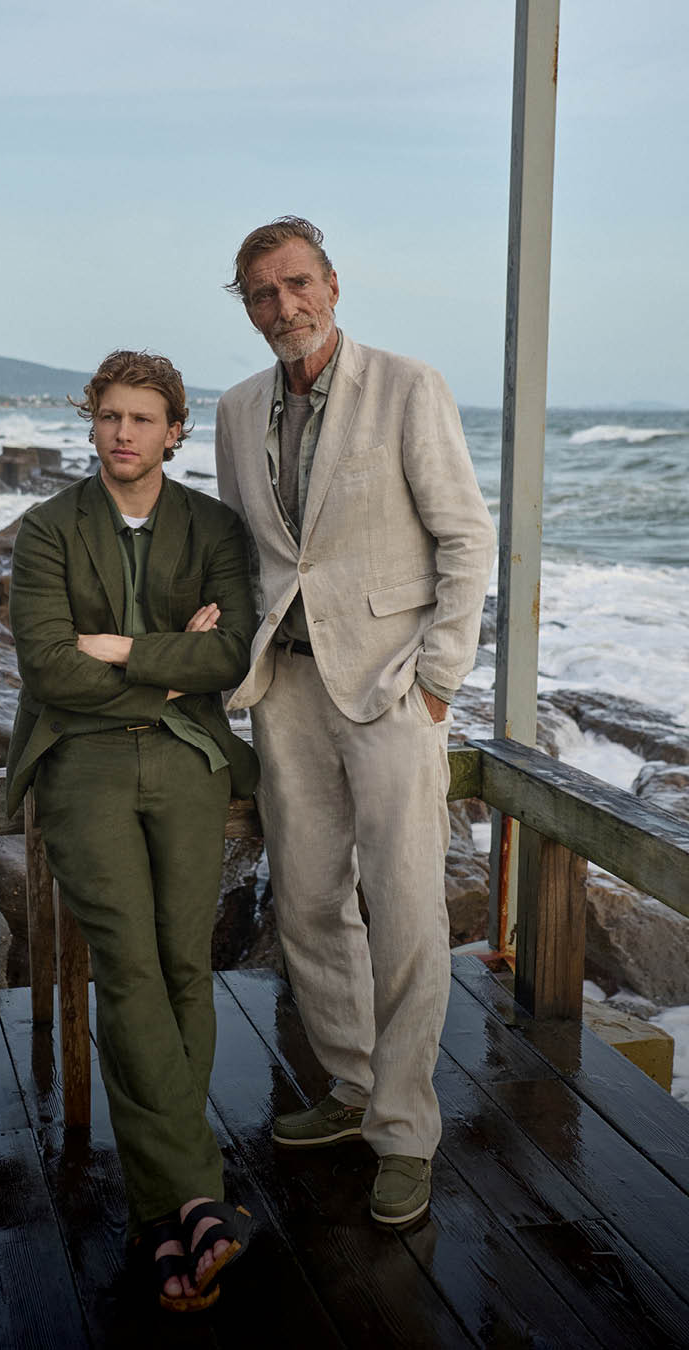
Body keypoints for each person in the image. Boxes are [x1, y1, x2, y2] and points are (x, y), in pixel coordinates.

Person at [214, 217, 495, 1227]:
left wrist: (437, 682)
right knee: (308, 904)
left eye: (296, 284)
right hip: (285, 693)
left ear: (333, 284)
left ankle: (406, 1131)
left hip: (388, 692)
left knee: (409, 909)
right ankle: (349, 1086)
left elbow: (466, 536)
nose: (282, 306)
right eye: (260, 294)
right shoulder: (237, 409)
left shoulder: (409, 387)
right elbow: (248, 554)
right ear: (246, 308)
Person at [6, 350, 258, 1310]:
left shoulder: (213, 527)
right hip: (84, 762)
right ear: (93, 422)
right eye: (109, 416)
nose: (123, 433)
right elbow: (45, 669)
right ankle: (195, 1197)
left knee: (186, 963)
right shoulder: (47, 529)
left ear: (175, 430)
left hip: (191, 759)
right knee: (132, 964)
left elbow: (232, 652)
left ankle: (164, 1219)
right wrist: (170, 660)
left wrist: (118, 647)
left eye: (143, 419)